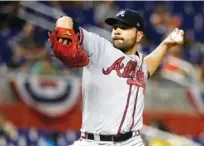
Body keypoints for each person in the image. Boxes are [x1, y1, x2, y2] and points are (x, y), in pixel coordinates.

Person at [49, 9, 184, 146]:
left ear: (139, 36)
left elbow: (149, 65)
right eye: (115, 27)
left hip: (132, 141)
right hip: (94, 141)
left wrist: (166, 44)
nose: (117, 31)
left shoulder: (140, 64)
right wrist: (64, 33)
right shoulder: (99, 47)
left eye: (124, 28)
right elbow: (65, 20)